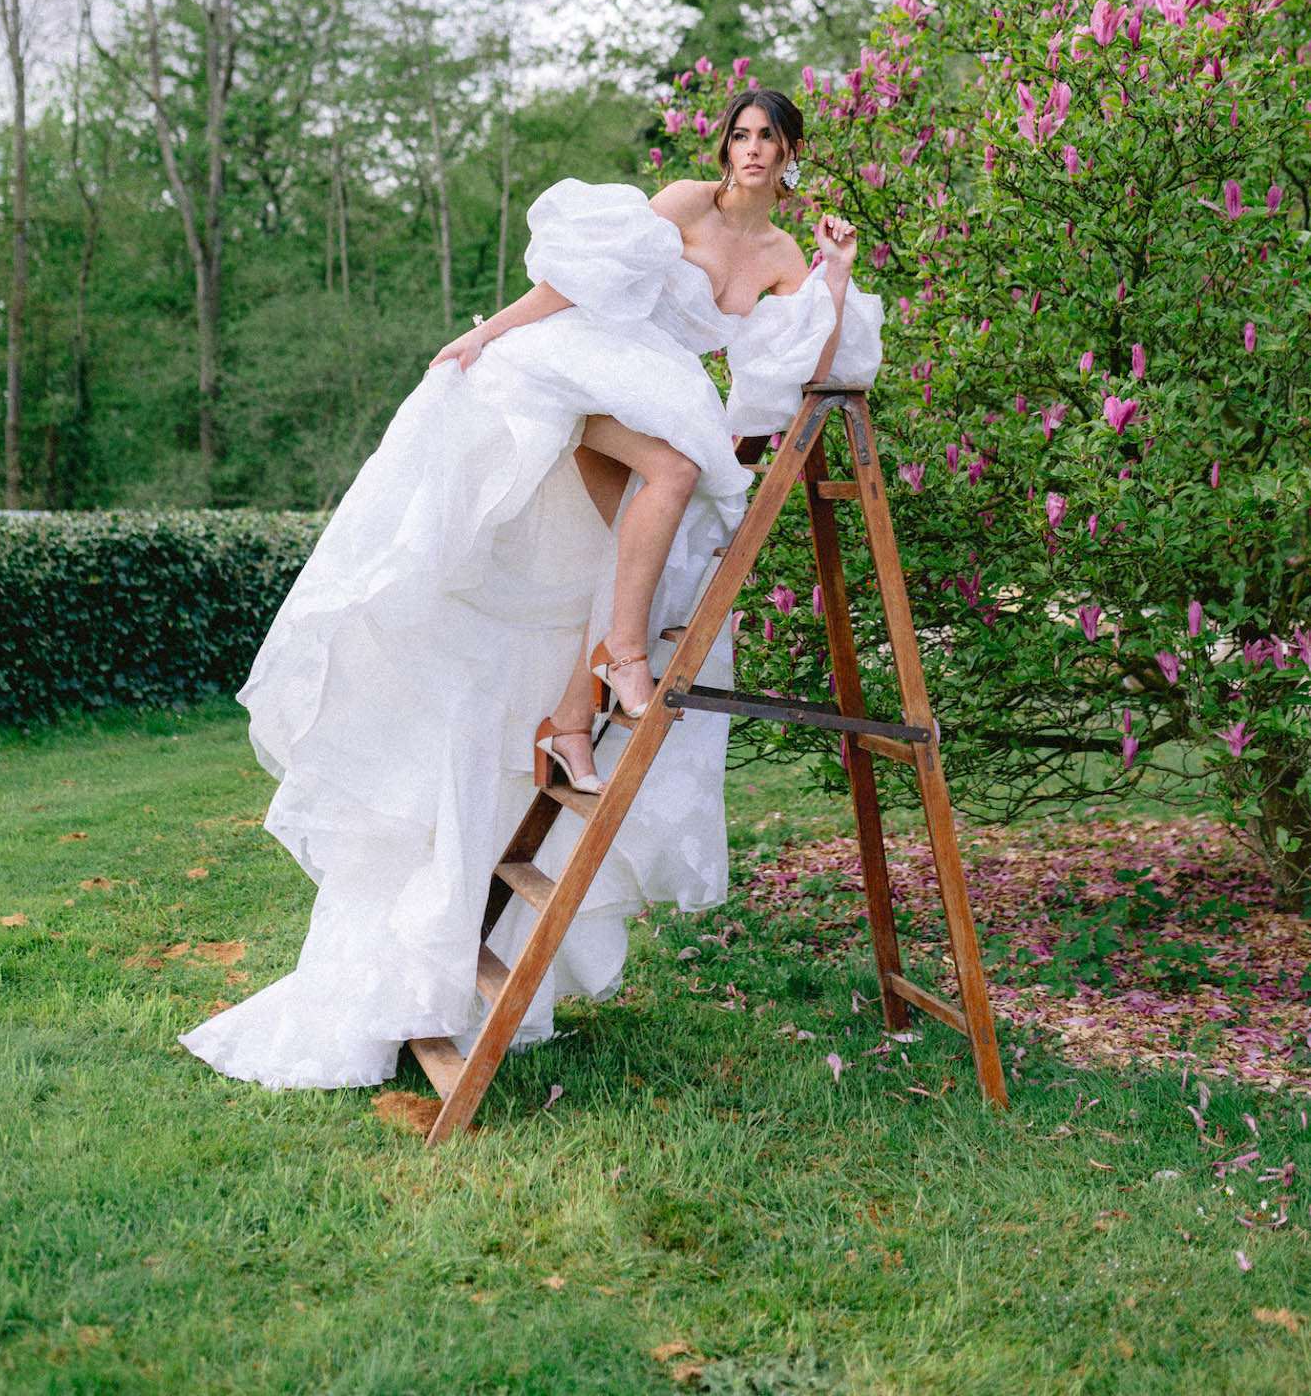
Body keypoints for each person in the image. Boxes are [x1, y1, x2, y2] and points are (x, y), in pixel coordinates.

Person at [179, 88, 883, 1090]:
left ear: (792, 151)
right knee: (678, 477)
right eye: (742, 133)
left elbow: (804, 361)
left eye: (771, 136)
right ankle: (627, 663)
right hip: (594, 369)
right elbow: (583, 278)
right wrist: (486, 330)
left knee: (631, 548)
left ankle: (567, 715)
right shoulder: (682, 202)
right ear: (723, 146)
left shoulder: (781, 261)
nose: (754, 149)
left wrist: (837, 270)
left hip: (659, 395)